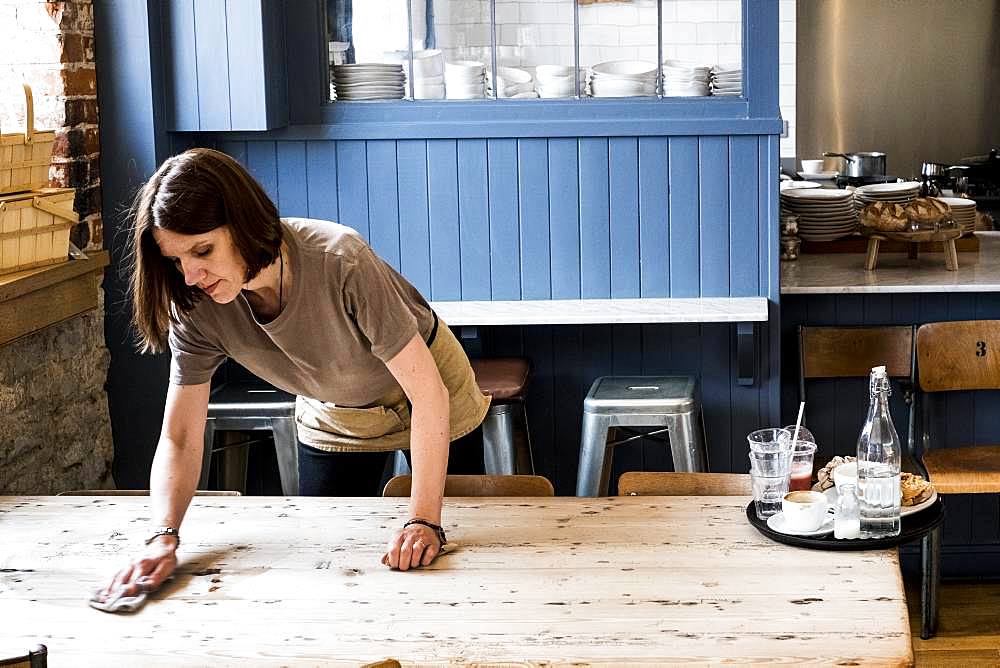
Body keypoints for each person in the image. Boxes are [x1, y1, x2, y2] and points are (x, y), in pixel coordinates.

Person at [98, 148, 489, 602]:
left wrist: (423, 520)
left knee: (456, 557)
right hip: (335, 408)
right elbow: (181, 436)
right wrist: (163, 535)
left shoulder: (341, 259)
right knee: (330, 557)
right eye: (175, 260)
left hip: (433, 392)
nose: (190, 275)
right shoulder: (195, 306)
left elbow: (427, 394)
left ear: (243, 222)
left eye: (202, 250)